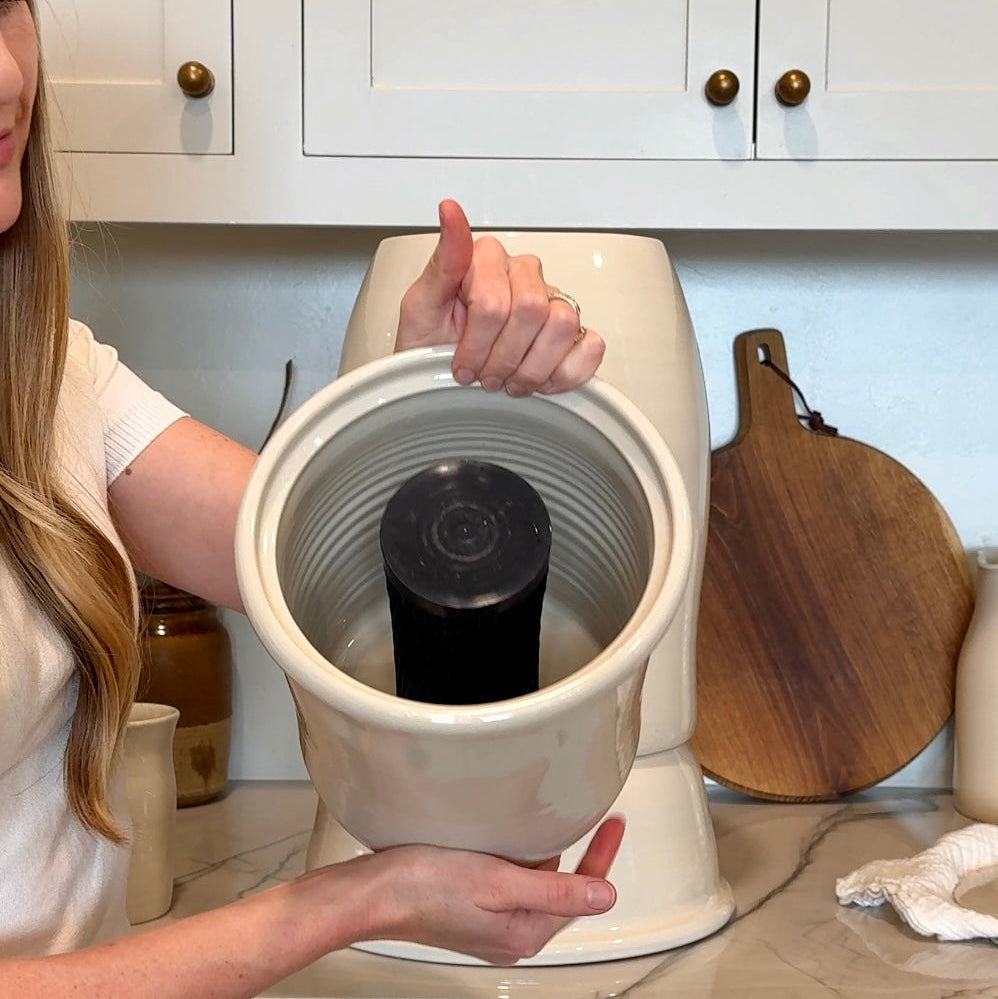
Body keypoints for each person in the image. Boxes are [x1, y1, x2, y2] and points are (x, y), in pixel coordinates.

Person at [0, 2, 623, 995]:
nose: (4, 73)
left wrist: (423, 397)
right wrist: (357, 900)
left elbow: (323, 569)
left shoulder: (48, 378)